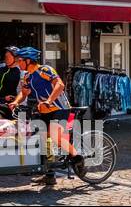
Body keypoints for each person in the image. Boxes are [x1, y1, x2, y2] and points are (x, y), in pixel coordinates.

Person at [7, 47, 81, 182]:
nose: (18, 63)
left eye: (20, 60)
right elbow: (24, 93)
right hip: (44, 110)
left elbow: (60, 84)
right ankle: (50, 174)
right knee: (40, 138)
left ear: (28, 60)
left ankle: (77, 157)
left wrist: (49, 100)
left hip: (59, 108)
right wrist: (16, 102)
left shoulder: (44, 70)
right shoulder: (26, 76)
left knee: (55, 135)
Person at [0, 48, 21, 118]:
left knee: (21, 127)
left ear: (16, 58)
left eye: (8, 57)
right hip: (2, 104)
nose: (5, 58)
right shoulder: (1, 68)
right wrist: (3, 98)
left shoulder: (23, 71)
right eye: (5, 56)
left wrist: (16, 99)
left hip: (18, 106)